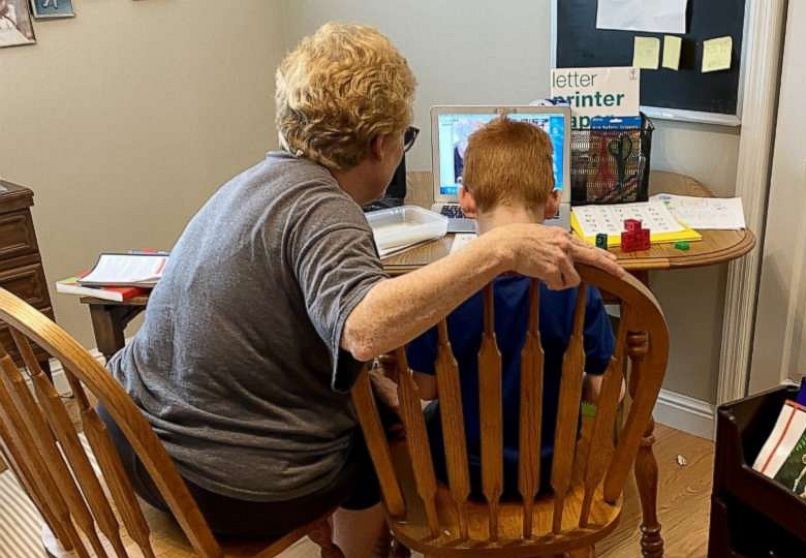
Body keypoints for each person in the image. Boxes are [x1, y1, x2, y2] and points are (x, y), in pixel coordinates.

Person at [101, 21, 622, 557]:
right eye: (405, 139)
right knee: (382, 447)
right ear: (379, 145)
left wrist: (379, 383)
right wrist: (502, 248)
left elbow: (299, 332)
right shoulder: (325, 210)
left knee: (392, 410)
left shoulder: (250, 184)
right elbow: (363, 330)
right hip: (216, 482)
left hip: (129, 434)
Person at [405, 117, 620, 495]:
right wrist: (573, 383)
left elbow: (425, 388)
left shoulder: (440, 286)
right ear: (553, 200)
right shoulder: (577, 285)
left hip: (462, 472)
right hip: (551, 469)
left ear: (466, 200)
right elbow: (609, 392)